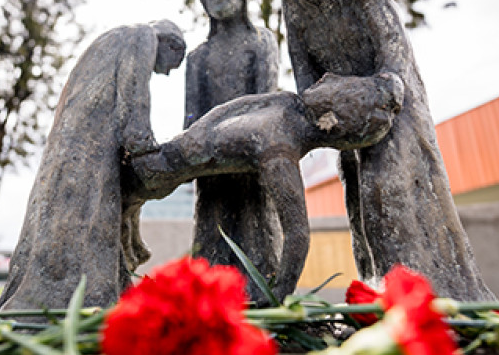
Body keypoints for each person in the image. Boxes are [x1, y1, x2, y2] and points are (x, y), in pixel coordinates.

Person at [242, 0, 493, 300]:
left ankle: (420, 296)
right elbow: (302, 66)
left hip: (388, 95)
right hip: (343, 110)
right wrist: (316, 107)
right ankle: (380, 293)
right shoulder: (292, 0)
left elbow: (387, 27)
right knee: (359, 200)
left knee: (387, 188)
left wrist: (389, 83)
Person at [130, 71, 403, 303]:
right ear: (338, 134)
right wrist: (280, 293)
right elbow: (297, 235)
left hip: (183, 150)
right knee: (139, 189)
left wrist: (196, 133)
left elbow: (228, 110)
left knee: (139, 191)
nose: (325, 78)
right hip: (168, 166)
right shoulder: (280, 150)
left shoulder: (286, 105)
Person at [0, 20, 186, 310]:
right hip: (93, 146)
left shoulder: (114, 37)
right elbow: (134, 95)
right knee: (93, 213)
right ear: (172, 44)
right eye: (174, 63)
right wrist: (144, 146)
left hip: (72, 142)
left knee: (71, 213)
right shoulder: (143, 36)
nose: (168, 72)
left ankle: (71, 293)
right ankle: (81, 298)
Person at [183, 0, 282, 291]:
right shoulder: (198, 57)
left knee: (258, 242)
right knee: (211, 243)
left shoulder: (261, 42)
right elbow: (191, 118)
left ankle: (262, 296)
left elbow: (264, 105)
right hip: (212, 170)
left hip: (251, 162)